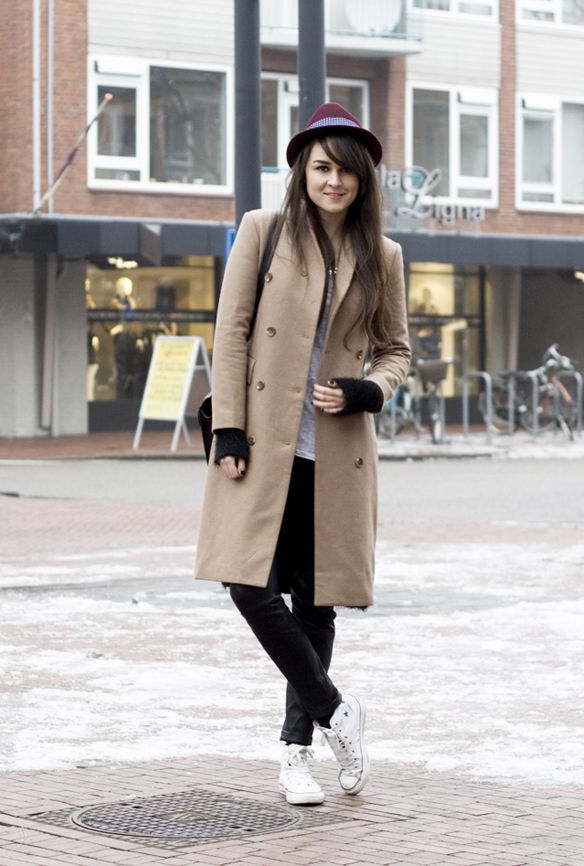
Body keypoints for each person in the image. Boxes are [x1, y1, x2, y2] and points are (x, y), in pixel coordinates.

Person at [195, 103, 411, 806]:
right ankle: (336, 712)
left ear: (363, 180)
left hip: (335, 452)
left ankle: (296, 755)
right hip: (262, 444)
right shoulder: (263, 232)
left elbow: (396, 350)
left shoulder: (382, 255)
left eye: (347, 171)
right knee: (247, 584)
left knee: (316, 604)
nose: (334, 181)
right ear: (301, 171)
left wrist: (369, 390)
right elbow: (231, 333)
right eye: (322, 168)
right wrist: (229, 429)